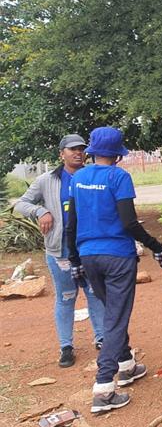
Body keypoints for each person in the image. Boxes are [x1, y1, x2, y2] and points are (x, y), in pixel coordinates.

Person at [65, 127, 162, 413]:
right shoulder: (119, 177)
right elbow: (129, 223)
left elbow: (71, 224)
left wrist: (74, 261)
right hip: (118, 258)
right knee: (115, 319)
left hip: (89, 257)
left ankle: (126, 365)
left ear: (92, 151)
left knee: (112, 312)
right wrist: (156, 246)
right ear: (118, 155)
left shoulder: (78, 178)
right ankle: (103, 388)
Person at [14, 134, 105, 368]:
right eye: (72, 149)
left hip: (89, 246)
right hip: (60, 249)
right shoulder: (47, 180)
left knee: (94, 292)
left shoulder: (92, 175)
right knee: (66, 296)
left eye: (81, 149)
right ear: (61, 154)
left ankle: (102, 338)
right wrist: (41, 211)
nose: (78, 153)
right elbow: (21, 203)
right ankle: (66, 346)